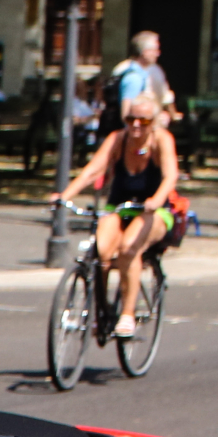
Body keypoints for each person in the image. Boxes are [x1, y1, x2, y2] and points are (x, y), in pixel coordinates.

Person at [56, 95, 181, 339]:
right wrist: (64, 196)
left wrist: (155, 200)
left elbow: (170, 176)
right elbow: (93, 171)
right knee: (101, 252)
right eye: (131, 119)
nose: (136, 125)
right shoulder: (118, 140)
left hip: (154, 212)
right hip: (120, 207)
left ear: (153, 122)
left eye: (143, 121)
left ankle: (127, 313)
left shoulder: (161, 141)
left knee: (128, 247)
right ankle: (99, 311)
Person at [108, 31, 174, 125]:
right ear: (145, 52)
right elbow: (126, 115)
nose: (158, 54)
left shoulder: (136, 71)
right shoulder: (134, 78)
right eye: (155, 50)